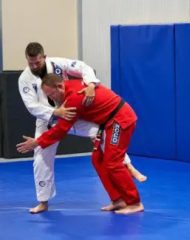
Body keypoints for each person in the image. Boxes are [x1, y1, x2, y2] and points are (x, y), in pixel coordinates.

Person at [18, 42, 146, 214]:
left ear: (44, 57)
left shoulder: (68, 83)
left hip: (109, 118)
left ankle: (130, 181)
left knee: (110, 156)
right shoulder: (25, 79)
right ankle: (44, 201)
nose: (34, 66)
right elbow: (32, 107)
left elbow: (83, 67)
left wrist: (91, 84)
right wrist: (56, 111)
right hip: (49, 117)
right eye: (30, 63)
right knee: (47, 158)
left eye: (37, 62)